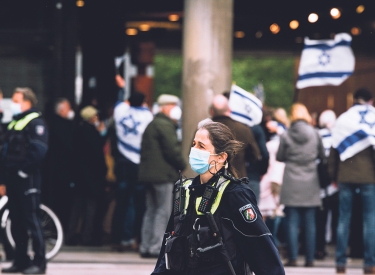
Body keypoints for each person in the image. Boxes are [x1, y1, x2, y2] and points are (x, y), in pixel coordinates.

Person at [151, 119, 285, 275]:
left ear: (221, 157)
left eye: (201, 146)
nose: (194, 150)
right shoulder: (185, 192)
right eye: (194, 144)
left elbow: (262, 250)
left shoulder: (235, 194)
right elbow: (168, 253)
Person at [0, 87, 48, 274]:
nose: (13, 104)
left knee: (32, 220)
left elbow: (39, 150)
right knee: (17, 221)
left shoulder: (35, 122)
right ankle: (21, 261)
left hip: (27, 179)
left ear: (27, 102)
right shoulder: (14, 123)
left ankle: (39, 262)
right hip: (12, 179)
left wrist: (23, 171)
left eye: (16, 100)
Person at [328, 88, 375, 274]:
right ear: (370, 100)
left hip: (345, 176)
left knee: (343, 220)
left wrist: (333, 176)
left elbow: (333, 151)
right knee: (370, 220)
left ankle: (340, 263)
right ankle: (369, 264)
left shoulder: (343, 119)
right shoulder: (373, 118)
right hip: (369, 177)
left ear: (354, 99)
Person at [276, 103, 325, 268]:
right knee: (310, 222)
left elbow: (280, 156)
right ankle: (310, 259)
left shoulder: (286, 134)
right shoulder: (315, 133)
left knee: (291, 222)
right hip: (311, 181)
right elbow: (321, 155)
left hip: (291, 181)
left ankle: (293, 258)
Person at [138, 94, 186, 258]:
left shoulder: (153, 124)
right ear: (165, 107)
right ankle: (156, 246)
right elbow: (173, 151)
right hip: (163, 175)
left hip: (149, 175)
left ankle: (146, 245)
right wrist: (183, 165)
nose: (176, 109)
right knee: (162, 211)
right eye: (173, 105)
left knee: (151, 210)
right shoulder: (165, 125)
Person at [111, 91, 153, 251]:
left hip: (122, 163)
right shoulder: (146, 117)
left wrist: (122, 88)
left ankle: (118, 237)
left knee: (121, 201)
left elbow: (122, 103)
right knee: (138, 202)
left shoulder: (120, 112)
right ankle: (135, 237)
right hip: (138, 164)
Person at [65, 105, 107, 246]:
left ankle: (71, 234)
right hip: (92, 176)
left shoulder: (76, 130)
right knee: (90, 207)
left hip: (79, 176)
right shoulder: (92, 133)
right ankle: (86, 236)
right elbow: (97, 154)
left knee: (77, 207)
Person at [210, 94, 261, 178]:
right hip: (237, 179)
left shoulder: (204, 129)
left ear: (211, 111)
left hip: (210, 180)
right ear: (229, 110)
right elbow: (254, 155)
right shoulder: (243, 129)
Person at [44, 98, 76, 232]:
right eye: (68, 108)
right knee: (61, 201)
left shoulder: (54, 124)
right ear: (62, 110)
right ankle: (58, 228)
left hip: (55, 170)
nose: (70, 111)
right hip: (61, 171)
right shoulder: (61, 126)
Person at [315, 109, 338, 260]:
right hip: (334, 183)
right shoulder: (337, 136)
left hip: (319, 182)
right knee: (336, 215)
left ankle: (320, 247)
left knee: (320, 217)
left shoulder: (317, 135)